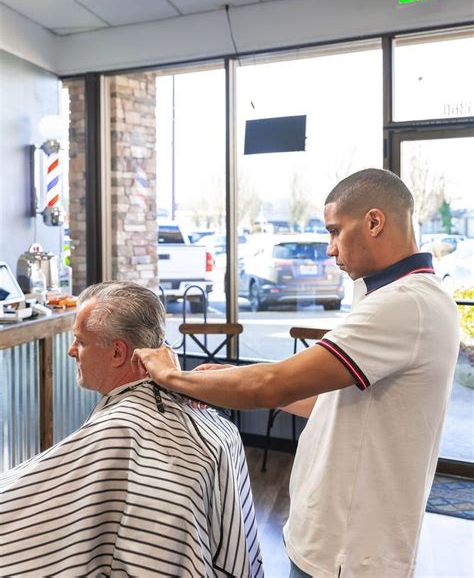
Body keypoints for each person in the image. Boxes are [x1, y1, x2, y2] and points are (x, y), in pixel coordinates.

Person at [132, 169, 460, 578]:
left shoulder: (406, 303)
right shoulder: (396, 298)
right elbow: (330, 402)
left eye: (335, 231)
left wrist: (171, 377)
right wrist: (220, 380)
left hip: (350, 551)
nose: (330, 249)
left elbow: (272, 384)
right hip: (327, 539)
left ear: (374, 222)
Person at [0, 281, 263, 578]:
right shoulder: (217, 424)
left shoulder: (120, 433)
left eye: (81, 342)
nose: (72, 351)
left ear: (117, 353)